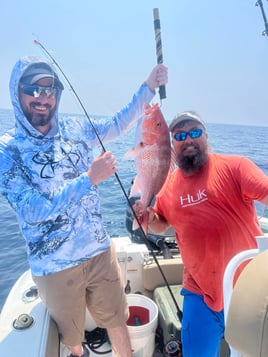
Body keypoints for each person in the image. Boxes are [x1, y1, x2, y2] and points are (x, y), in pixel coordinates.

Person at [0, 56, 168, 357]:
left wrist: (148, 87)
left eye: (49, 90)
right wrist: (89, 178)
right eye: (33, 90)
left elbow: (118, 124)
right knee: (72, 335)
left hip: (99, 251)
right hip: (55, 266)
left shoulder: (75, 128)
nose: (43, 98)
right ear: (17, 92)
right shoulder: (7, 149)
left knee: (118, 317)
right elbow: (31, 210)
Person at [146, 110, 268, 357]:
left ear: (206, 136)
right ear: (173, 145)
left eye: (194, 132)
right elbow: (160, 222)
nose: (188, 139)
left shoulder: (235, 166)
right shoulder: (168, 185)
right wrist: (149, 219)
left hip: (246, 287)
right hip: (199, 291)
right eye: (180, 135)